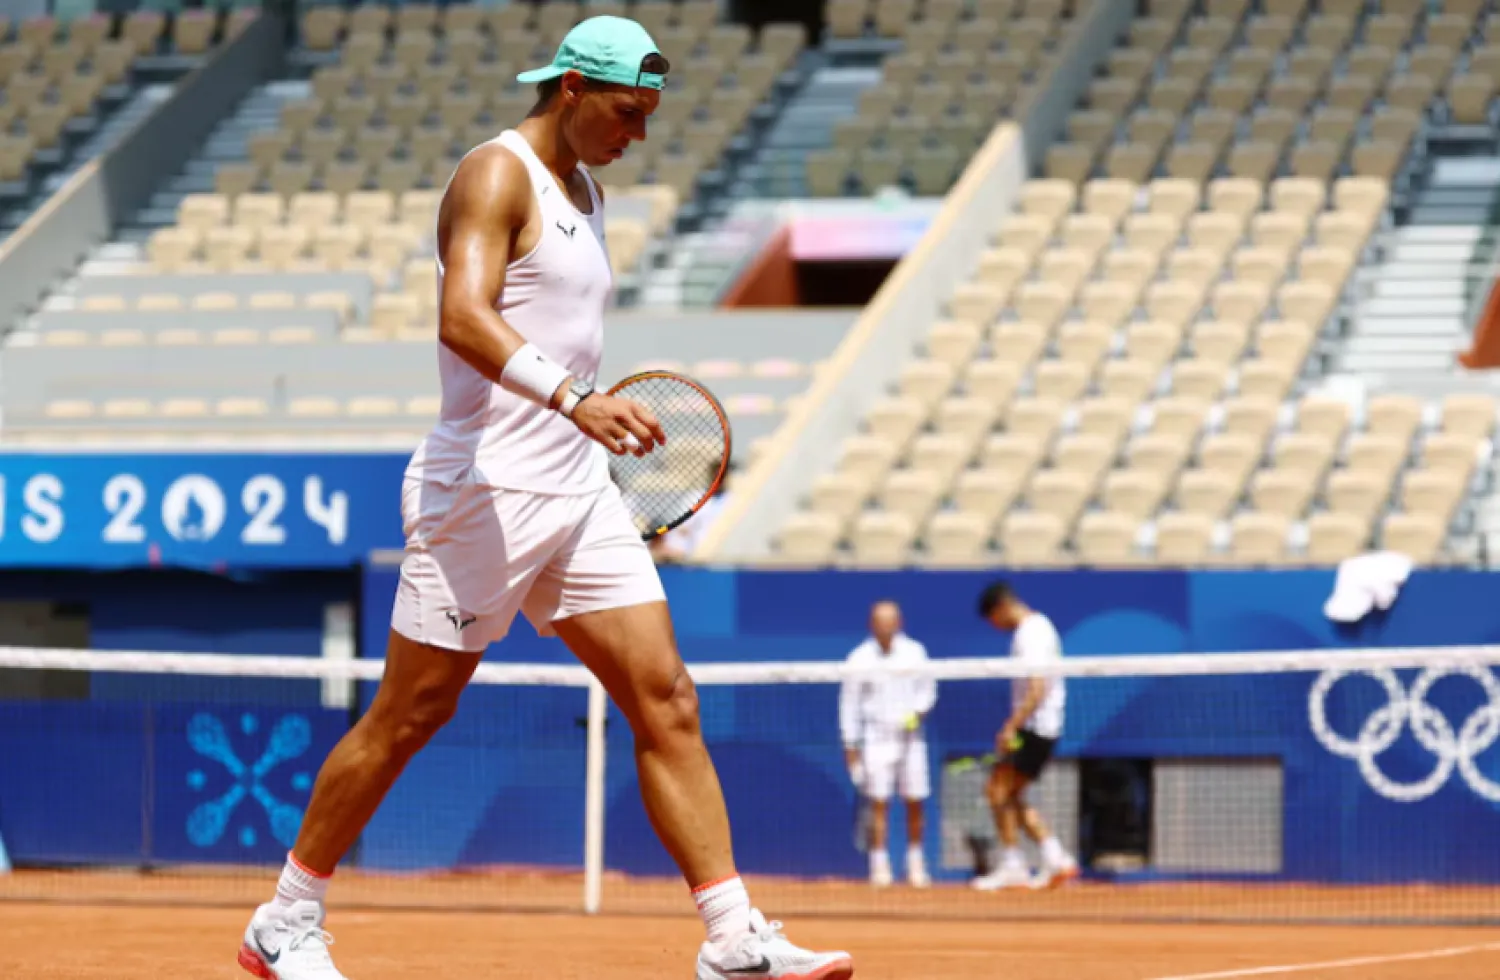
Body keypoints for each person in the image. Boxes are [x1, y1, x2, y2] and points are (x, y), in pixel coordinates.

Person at [236, 18, 853, 980]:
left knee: (666, 698)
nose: (637, 133)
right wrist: (576, 400)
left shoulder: (588, 189)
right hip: (481, 491)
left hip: (576, 490)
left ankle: (731, 937)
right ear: (570, 88)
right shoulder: (495, 175)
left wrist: (588, 421)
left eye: (648, 116)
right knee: (410, 714)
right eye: (625, 112)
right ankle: (285, 920)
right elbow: (462, 317)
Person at [971, 581, 1079, 891]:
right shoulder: (1037, 628)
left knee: (997, 792)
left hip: (1035, 727)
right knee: (1010, 795)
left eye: (993, 619)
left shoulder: (1031, 633)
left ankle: (1014, 865)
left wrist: (1012, 726)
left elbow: (1037, 688)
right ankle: (1056, 857)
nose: (995, 626)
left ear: (1002, 607)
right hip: (1042, 727)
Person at [838, 600, 936, 888]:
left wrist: (916, 713)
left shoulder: (916, 653)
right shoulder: (858, 659)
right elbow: (849, 706)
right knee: (878, 803)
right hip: (875, 739)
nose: (885, 625)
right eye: (880, 620)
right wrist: (850, 748)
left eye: (890, 619)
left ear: (899, 622)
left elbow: (928, 692)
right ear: (871, 624)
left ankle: (916, 863)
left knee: (915, 800)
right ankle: (879, 866)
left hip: (911, 739)